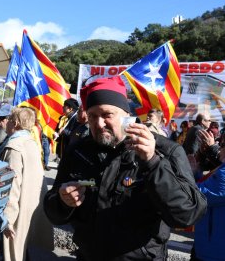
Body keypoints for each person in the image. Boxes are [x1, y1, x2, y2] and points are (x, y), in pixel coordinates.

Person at [44, 76, 207, 260]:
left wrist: (152, 163)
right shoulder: (78, 151)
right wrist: (62, 201)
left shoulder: (166, 151)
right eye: (92, 116)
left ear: (126, 115)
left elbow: (188, 214)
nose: (99, 124)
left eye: (107, 115)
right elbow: (53, 210)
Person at [1, 107, 53, 261]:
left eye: (9, 119)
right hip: (32, 207)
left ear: (15, 123)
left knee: (14, 253)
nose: (7, 123)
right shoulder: (31, 142)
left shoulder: (15, 146)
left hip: (18, 211)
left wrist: (8, 219)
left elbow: (11, 186)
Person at [193, 135, 225, 260]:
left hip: (215, 252)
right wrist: (196, 172)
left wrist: (186, 173)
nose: (219, 149)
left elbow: (196, 195)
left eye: (222, 145)